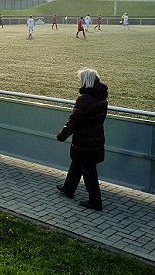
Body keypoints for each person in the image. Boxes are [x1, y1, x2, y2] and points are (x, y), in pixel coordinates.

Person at [56, 68, 108, 211]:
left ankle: (95, 201)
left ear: (86, 81)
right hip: (96, 138)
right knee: (78, 163)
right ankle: (68, 188)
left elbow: (74, 120)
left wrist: (62, 135)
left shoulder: (84, 99)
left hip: (85, 140)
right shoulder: (102, 98)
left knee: (89, 172)